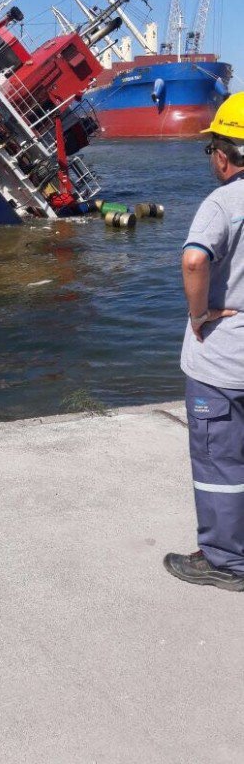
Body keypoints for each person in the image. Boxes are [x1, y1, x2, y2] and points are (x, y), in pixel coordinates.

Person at [164, 91, 244, 592]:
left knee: (219, 461)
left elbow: (195, 260)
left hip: (225, 357)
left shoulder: (224, 202)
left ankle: (225, 561)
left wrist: (202, 314)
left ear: (221, 152)